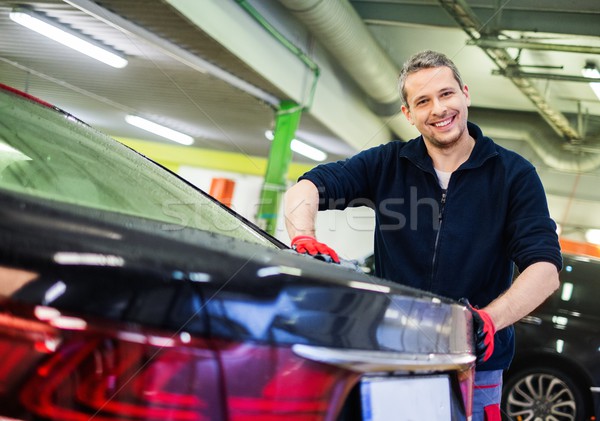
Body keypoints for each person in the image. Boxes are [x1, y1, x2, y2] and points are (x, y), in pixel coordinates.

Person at [284, 50, 562, 421]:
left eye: (446, 94)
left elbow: (544, 267)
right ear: (409, 115)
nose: (438, 109)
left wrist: (488, 321)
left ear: (465, 93)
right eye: (423, 101)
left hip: (476, 367)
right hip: (389, 358)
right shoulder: (385, 164)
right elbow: (308, 187)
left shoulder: (513, 175)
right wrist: (303, 238)